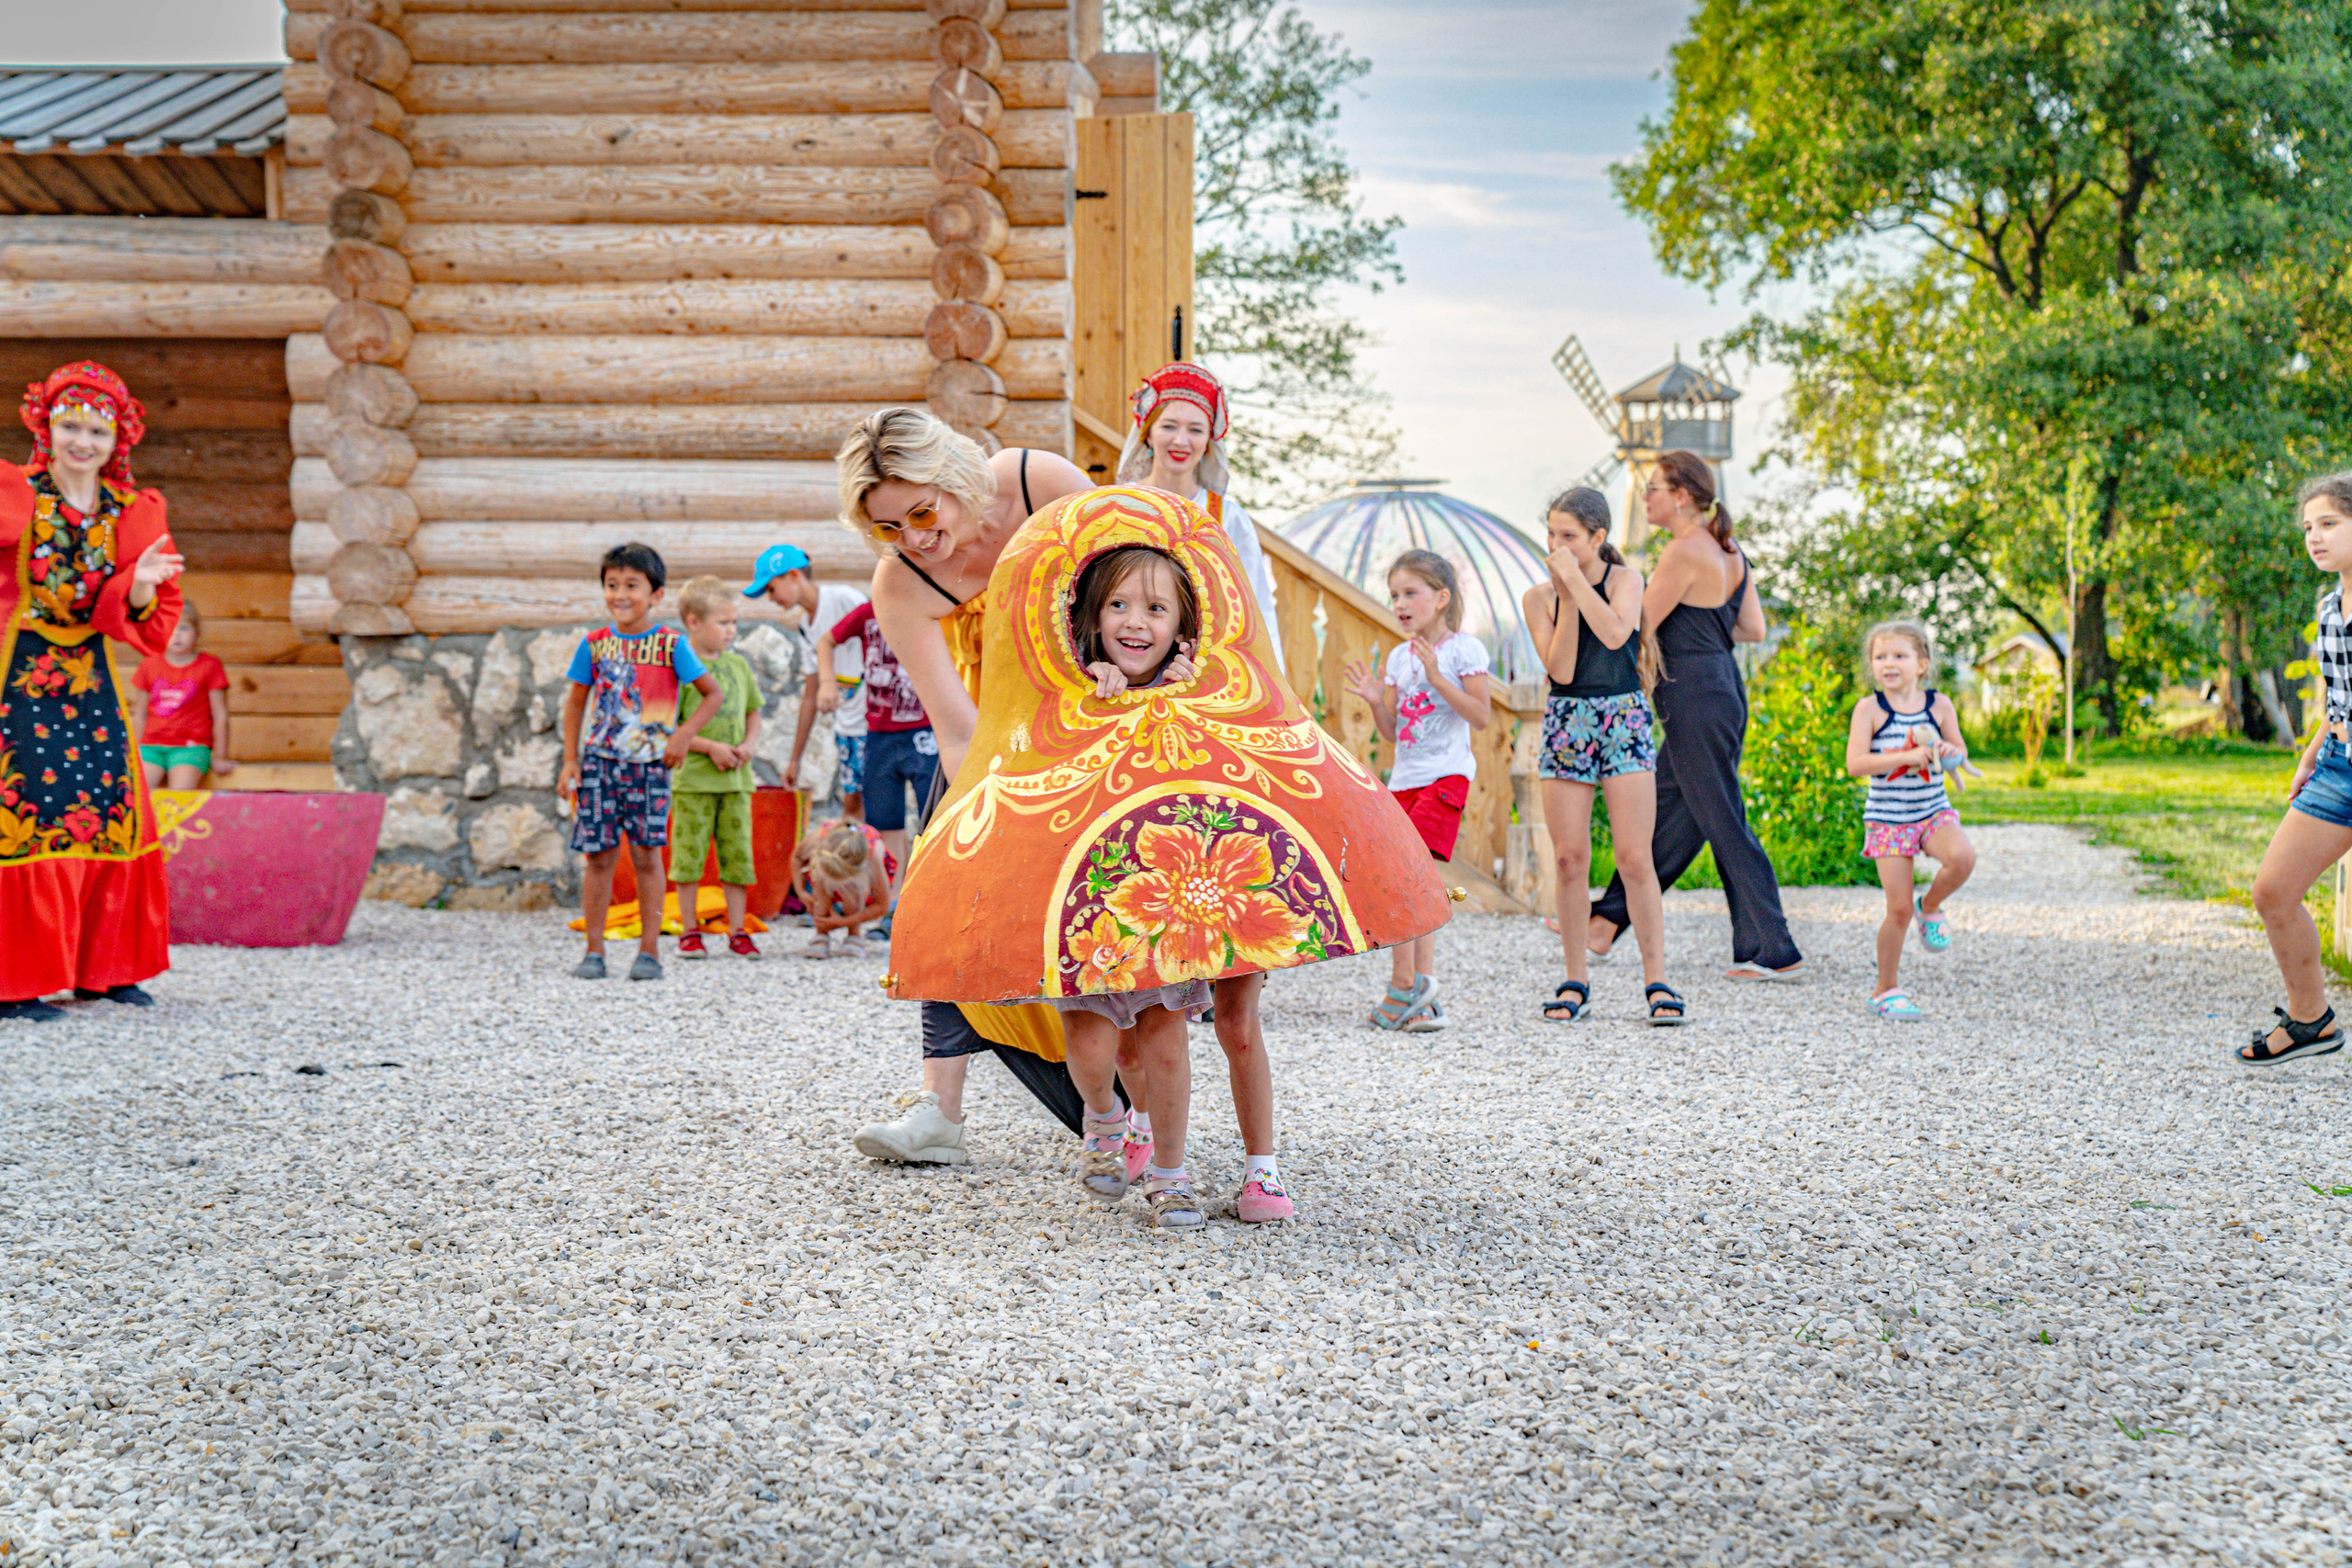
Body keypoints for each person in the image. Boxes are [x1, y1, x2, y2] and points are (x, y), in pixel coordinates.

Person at [837, 407, 1092, 1160]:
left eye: (922, 512)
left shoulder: (1037, 482)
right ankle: (939, 1111)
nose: (914, 539)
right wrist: (999, 818)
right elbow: (955, 729)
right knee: (942, 890)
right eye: (889, 527)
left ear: (951, 475)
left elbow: (1137, 585)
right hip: (995, 744)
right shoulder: (901, 584)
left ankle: (1129, 1095)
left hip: (1098, 714)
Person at [1114, 360, 1293, 1221]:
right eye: (1170, 423)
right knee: (1136, 972)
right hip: (1134, 748)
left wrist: (1274, 718)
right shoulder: (1115, 509)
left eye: (1196, 426)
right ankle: (1144, 1126)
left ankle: (1262, 1164)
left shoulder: (1228, 517)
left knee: (1236, 997)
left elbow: (1257, 625)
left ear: (1211, 437)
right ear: (1147, 426)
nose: (1181, 439)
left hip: (1216, 739)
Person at [0, 361, 185, 1021]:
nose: (83, 441)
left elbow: (151, 622)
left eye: (97, 431)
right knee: (27, 811)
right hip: (18, 675)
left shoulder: (133, 512)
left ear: (118, 440)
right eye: (71, 425)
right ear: (46, 426)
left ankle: (106, 970)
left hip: (90, 678)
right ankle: (15, 980)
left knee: (112, 806)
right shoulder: (15, 493)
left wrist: (139, 585)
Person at [1586, 451, 1806, 981]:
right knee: (1674, 814)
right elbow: (1751, 629)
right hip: (1720, 688)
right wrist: (1700, 631)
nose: (1646, 498)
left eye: (1654, 489)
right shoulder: (1729, 550)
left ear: (1682, 496)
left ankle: (1776, 951)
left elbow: (1636, 625)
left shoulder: (1684, 550)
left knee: (1723, 818)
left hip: (1695, 698)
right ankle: (1605, 922)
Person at [1051, 544, 1210, 1227]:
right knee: (1090, 1043)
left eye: (1155, 608)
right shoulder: (1076, 683)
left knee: (1164, 1040)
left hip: (1166, 896)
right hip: (1089, 899)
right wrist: (1087, 687)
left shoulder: (1195, 688)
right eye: (1118, 604)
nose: (1135, 621)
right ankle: (1104, 1116)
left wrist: (1188, 694)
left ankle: (1170, 1172)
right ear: (1093, 616)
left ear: (1181, 628)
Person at [1522, 487, 1680, 1024]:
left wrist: (1577, 584)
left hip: (1623, 717)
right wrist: (1567, 594)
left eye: (1568, 535)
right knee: (1570, 859)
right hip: (1568, 720)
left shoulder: (1626, 580)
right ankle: (1575, 979)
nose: (1556, 545)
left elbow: (1615, 635)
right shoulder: (1538, 598)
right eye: (1551, 534)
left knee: (1634, 857)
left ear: (1597, 537)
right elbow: (1562, 670)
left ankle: (1657, 980)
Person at [559, 542, 726, 983]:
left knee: (647, 855)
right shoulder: (594, 645)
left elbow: (713, 694)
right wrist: (570, 761)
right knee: (599, 857)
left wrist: (683, 736)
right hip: (599, 764)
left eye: (632, 585)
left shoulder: (672, 645)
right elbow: (575, 704)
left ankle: (649, 952)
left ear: (656, 594)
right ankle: (594, 951)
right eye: (612, 585)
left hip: (650, 767)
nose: (620, 594)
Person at [1343, 548, 1491, 1031]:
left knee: (1417, 878)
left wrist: (1437, 678)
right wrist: (1375, 701)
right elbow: (1393, 732)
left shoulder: (1463, 650)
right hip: (1404, 781)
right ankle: (1415, 994)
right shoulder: (1398, 657)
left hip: (1446, 776)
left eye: (1411, 593)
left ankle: (1410, 986)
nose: (1400, 604)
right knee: (1399, 879)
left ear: (1442, 598)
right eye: (1394, 596)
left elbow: (1481, 716)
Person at [2242, 472, 2352, 1064]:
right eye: (2309, 526)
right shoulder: (2329, 608)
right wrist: (2310, 757)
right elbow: (2338, 697)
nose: (2314, 537)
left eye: (2329, 523)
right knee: (2273, 893)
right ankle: (2312, 1019)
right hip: (2338, 770)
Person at [1845, 620, 1975, 1021]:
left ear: (1921, 664)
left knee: (1962, 859)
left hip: (1932, 810)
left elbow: (1959, 749)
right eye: (1880, 656)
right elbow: (1856, 764)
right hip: (1889, 820)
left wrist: (1948, 752)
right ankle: (1885, 991)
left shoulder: (1939, 706)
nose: (1888, 663)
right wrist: (1905, 757)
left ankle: (1930, 905)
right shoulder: (1869, 710)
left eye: (1899, 656)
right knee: (1897, 909)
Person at [813, 595, 931, 905]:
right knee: (885, 821)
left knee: (933, 818)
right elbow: (826, 641)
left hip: (926, 730)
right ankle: (894, 903)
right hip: (879, 735)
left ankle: (931, 896)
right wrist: (827, 682)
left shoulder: (932, 603)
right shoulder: (870, 611)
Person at [669, 576, 763, 960]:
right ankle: (689, 931)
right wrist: (711, 748)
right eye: (723, 622)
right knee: (688, 856)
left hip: (736, 783)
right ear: (693, 622)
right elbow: (669, 728)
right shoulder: (680, 671)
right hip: (693, 782)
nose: (731, 630)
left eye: (734, 622)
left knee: (738, 857)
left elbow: (753, 710)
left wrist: (748, 745)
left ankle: (738, 931)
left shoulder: (739, 666)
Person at [746, 544, 868, 817]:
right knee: (854, 807)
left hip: (874, 723)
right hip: (846, 726)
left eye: (771, 588)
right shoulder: (805, 628)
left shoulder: (844, 599)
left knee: (876, 807)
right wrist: (795, 760)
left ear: (793, 575)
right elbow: (810, 695)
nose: (771, 598)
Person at [130, 602, 234, 790]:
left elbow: (220, 715)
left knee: (179, 796)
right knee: (139, 794)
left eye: (184, 628)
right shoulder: (148, 666)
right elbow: (139, 715)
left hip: (190, 747)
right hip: (150, 746)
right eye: (170, 628)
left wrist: (220, 756)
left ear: (197, 632)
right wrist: (134, 750)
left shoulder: (210, 666)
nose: (177, 634)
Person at [792, 818, 890, 959]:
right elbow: (796, 857)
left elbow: (882, 905)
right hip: (828, 868)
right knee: (821, 883)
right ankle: (821, 933)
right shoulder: (817, 841)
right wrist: (800, 891)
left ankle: (854, 934)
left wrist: (844, 922)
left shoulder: (872, 857)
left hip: (857, 882)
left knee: (852, 890)